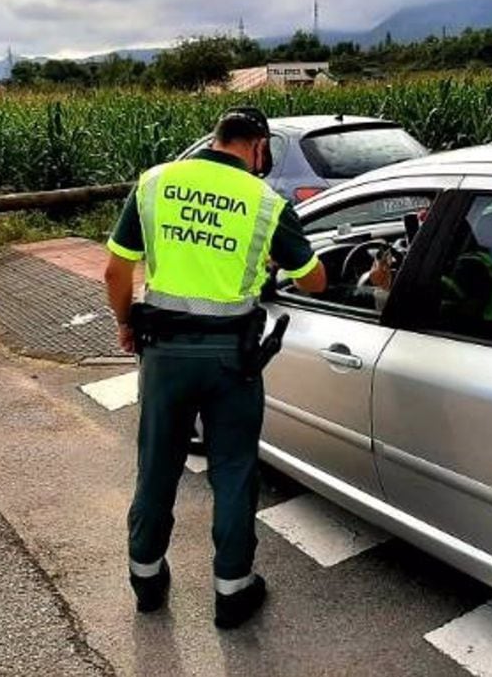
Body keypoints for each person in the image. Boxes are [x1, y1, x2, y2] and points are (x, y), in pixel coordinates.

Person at [103, 106, 327, 629]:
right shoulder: (265, 201)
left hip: (164, 353)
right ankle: (232, 592)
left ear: (216, 138)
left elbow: (116, 270)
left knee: (157, 466)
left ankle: (147, 583)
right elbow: (313, 279)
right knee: (232, 470)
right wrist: (274, 262)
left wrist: (124, 323)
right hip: (232, 361)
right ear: (259, 148)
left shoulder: (157, 182)